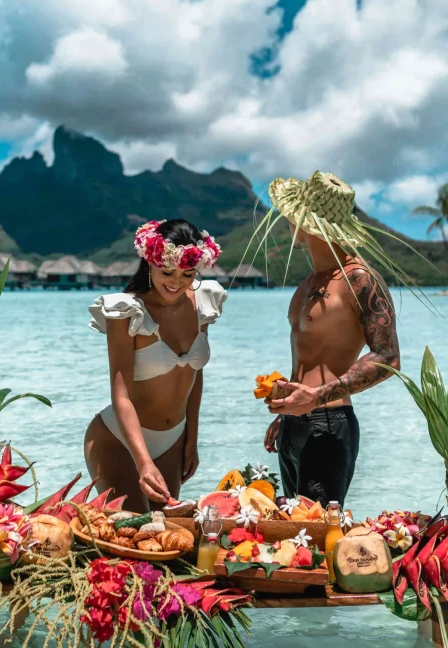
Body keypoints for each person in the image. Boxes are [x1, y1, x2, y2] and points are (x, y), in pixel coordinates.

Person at [260, 171, 408, 509]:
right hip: (294, 423)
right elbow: (311, 356)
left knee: (315, 539)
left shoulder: (359, 280)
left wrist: (317, 396)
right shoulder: (310, 282)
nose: (287, 220)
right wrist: (288, 410)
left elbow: (388, 357)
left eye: (293, 214)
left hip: (328, 424)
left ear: (308, 223)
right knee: (292, 535)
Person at [84, 219, 226, 511]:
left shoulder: (202, 303)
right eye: (167, 272)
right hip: (118, 441)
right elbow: (120, 394)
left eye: (187, 274)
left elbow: (194, 376)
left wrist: (191, 438)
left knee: (172, 540)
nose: (176, 282)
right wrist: (144, 462)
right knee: (136, 536)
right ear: (150, 263)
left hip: (174, 440)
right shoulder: (127, 311)